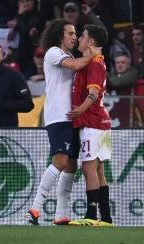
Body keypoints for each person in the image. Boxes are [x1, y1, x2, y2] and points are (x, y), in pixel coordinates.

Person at [27, 19, 100, 226]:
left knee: (71, 165)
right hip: (59, 116)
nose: (74, 37)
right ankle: (35, 208)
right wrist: (95, 53)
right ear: (60, 35)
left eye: (76, 33)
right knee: (60, 161)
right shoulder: (53, 53)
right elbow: (77, 65)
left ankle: (60, 214)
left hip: (73, 116)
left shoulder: (68, 55)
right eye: (70, 33)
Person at [66, 24, 113, 226]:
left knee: (88, 168)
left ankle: (91, 216)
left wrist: (80, 109)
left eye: (82, 36)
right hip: (100, 122)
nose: (79, 39)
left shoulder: (94, 63)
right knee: (98, 171)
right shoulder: (96, 61)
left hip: (92, 122)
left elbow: (93, 93)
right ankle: (106, 218)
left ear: (91, 42)